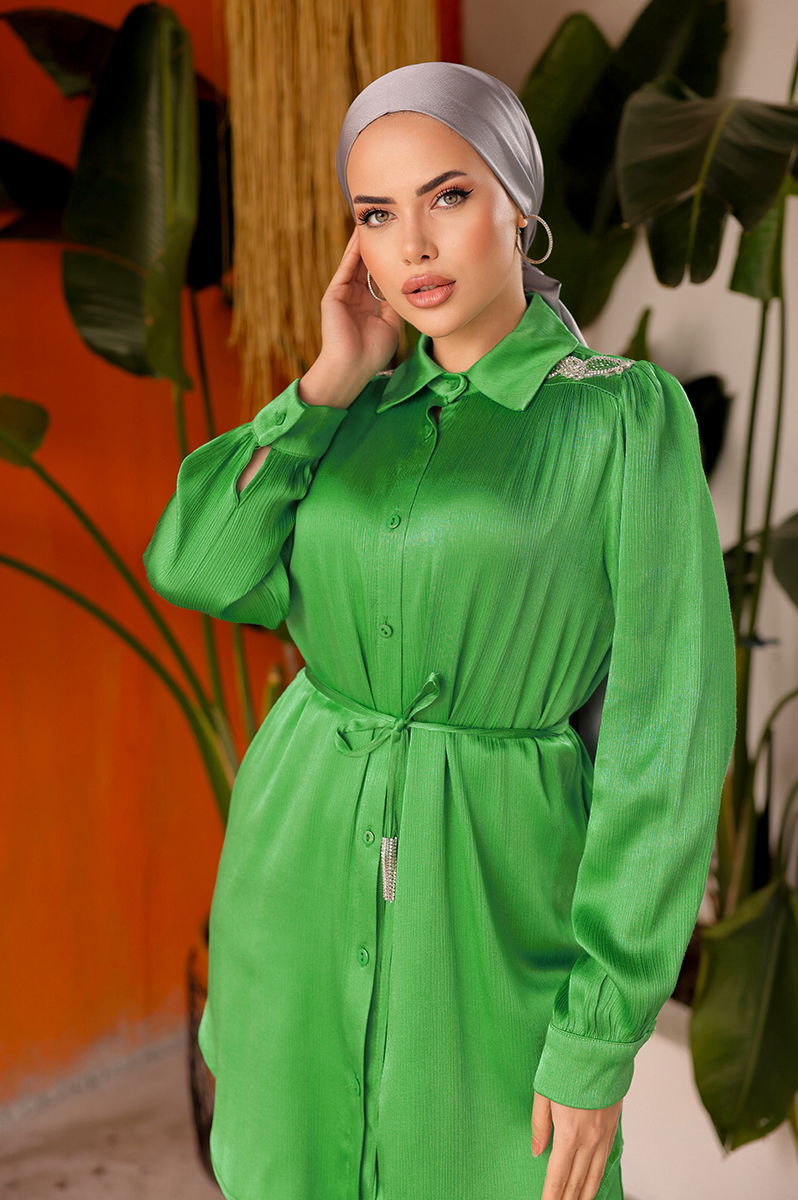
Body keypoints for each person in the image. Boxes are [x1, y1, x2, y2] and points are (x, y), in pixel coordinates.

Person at [142, 61, 737, 1200]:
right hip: (292, 877)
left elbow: (664, 742)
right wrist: (328, 379)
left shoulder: (618, 415)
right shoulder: (347, 413)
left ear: (519, 202)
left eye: (447, 196)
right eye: (375, 214)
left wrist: (600, 1031)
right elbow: (197, 564)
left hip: (495, 901)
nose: (410, 245)